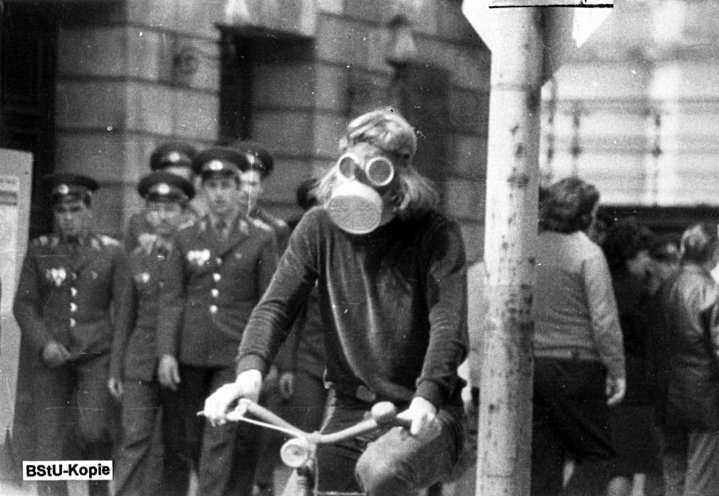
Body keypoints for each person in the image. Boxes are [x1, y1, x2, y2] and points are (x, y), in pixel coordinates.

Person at [203, 107, 468, 496]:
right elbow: (276, 307)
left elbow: (448, 326)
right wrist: (248, 376)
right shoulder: (318, 226)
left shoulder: (435, 234)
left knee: (381, 471)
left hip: (423, 414)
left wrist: (427, 399)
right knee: (301, 486)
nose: (359, 180)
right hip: (349, 411)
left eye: (375, 170)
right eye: (350, 167)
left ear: (398, 179)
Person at [156, 146, 279, 496]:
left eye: (226, 185)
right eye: (212, 186)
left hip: (235, 355)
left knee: (219, 435)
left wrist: (270, 360)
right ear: (202, 190)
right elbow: (172, 298)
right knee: (191, 439)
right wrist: (166, 352)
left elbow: (269, 302)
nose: (220, 194)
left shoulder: (260, 237)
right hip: (191, 354)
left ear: (239, 189)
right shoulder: (185, 236)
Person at [13, 173, 130, 496]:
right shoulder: (40, 250)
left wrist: (116, 366)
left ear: (89, 211)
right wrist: (44, 343)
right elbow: (23, 304)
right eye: (61, 211)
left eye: (75, 210)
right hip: (51, 358)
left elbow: (122, 312)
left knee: (93, 432)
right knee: (48, 438)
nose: (68, 218)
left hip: (95, 355)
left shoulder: (111, 251)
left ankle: (98, 491)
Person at [532, 176, 626, 496]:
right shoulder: (588, 253)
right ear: (586, 215)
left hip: (533, 368)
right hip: (576, 368)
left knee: (543, 462)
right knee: (598, 459)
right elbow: (604, 321)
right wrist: (616, 370)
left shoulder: (528, 248)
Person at [108, 171, 195, 496]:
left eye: (170, 209)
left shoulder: (193, 257)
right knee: (134, 438)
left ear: (184, 213)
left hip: (179, 363)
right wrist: (117, 369)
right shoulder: (136, 259)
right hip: (140, 362)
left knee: (177, 445)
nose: (162, 216)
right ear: (146, 213)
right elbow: (124, 318)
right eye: (155, 209)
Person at [653, 223, 719, 496]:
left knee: (674, 477)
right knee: (701, 479)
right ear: (714, 253)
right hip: (706, 400)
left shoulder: (664, 288)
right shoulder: (711, 291)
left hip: (667, 396)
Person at [601, 218, 663, 496]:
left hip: (604, 382)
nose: (648, 261)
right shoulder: (639, 293)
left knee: (617, 466)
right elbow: (652, 340)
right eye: (644, 255)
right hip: (637, 387)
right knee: (648, 466)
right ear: (630, 256)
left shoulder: (601, 284)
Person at [124, 142, 199, 251]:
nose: (176, 186)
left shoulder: (199, 220)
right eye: (170, 180)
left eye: (182, 181)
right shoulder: (140, 223)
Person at [232, 140, 291, 252]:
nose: (246, 190)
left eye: (252, 184)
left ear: (261, 187)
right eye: (240, 183)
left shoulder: (275, 229)